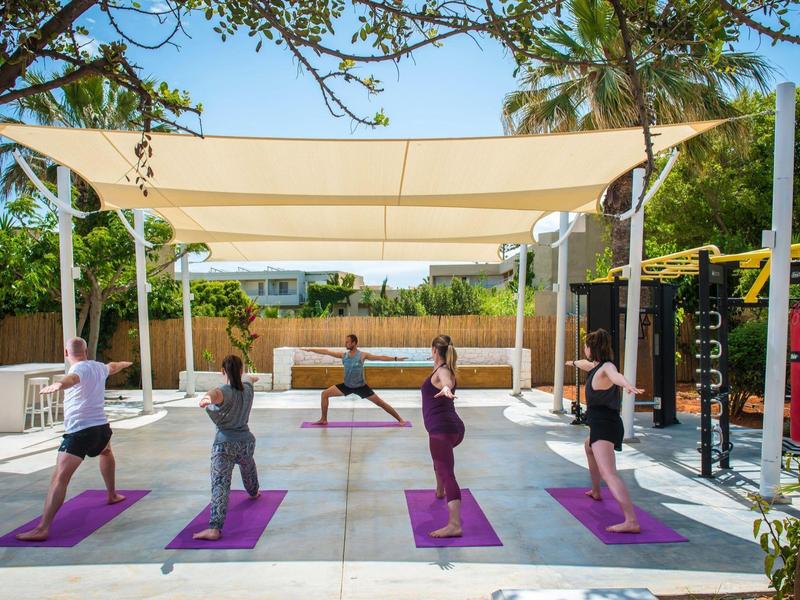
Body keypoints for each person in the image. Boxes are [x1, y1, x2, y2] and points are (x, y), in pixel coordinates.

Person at [16, 337, 131, 542]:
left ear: (66, 353)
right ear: (86, 351)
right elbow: (113, 367)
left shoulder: (77, 370)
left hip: (80, 431)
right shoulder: (98, 367)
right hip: (101, 428)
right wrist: (124, 364)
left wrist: (59, 384)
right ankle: (112, 494)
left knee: (59, 478)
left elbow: (73, 379)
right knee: (106, 452)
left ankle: (43, 528)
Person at [566, 328, 644, 534]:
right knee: (587, 446)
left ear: (592, 348)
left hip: (605, 426)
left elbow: (616, 375)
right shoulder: (595, 366)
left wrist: (627, 385)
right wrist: (573, 363)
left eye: (586, 345)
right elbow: (585, 365)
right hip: (601, 423)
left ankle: (631, 520)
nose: (584, 348)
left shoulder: (606, 367)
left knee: (609, 473)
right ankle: (596, 491)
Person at [193, 354, 261, 541]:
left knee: (220, 485)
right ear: (240, 370)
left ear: (223, 372)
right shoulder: (247, 389)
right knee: (248, 465)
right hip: (246, 442)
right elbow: (249, 379)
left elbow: (214, 394)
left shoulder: (224, 390)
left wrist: (206, 399)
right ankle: (254, 491)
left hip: (225, 445)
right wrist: (252, 377)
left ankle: (214, 528)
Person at [302, 334, 407, 425]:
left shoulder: (362, 355)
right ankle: (323, 419)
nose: (345, 344)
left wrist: (396, 358)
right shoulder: (343, 355)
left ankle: (400, 419)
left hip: (361, 387)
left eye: (347, 342)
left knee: (381, 403)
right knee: (324, 394)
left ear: (354, 343)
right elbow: (327, 352)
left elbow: (380, 357)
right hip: (346, 386)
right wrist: (311, 349)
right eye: (346, 342)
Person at [422, 334, 465, 538]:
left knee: (447, 471)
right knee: (438, 460)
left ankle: (454, 524)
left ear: (433, 350)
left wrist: (447, 387)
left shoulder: (443, 371)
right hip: (452, 427)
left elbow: (446, 380)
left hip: (442, 430)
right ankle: (440, 490)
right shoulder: (441, 369)